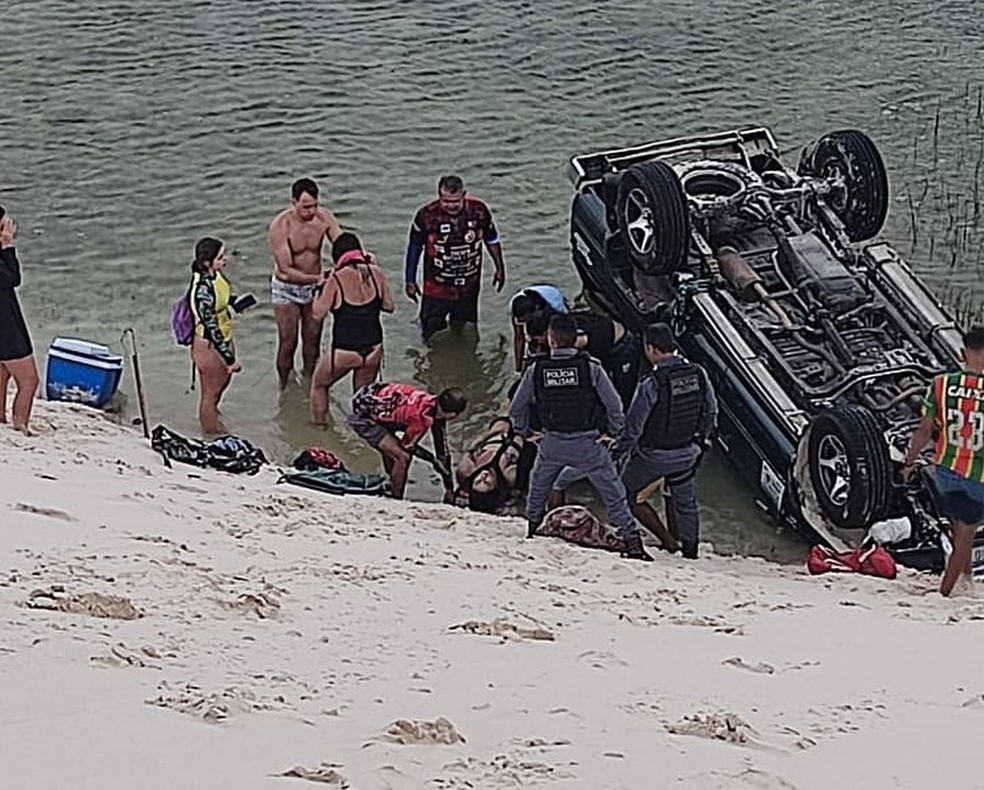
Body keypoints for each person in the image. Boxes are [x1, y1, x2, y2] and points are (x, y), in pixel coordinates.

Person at [508, 313, 652, 560]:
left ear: (551, 341)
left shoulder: (536, 370)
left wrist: (526, 433)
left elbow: (516, 409)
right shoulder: (591, 367)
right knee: (613, 492)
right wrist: (613, 433)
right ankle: (633, 542)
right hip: (589, 444)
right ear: (575, 339)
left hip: (551, 441)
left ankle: (533, 528)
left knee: (538, 485)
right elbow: (614, 405)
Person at [618, 323, 718, 559]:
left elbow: (634, 427)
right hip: (688, 452)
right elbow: (711, 412)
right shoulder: (698, 373)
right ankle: (691, 552)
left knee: (625, 492)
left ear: (651, 348)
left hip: (655, 454)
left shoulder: (651, 383)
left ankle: (668, 541)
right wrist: (700, 442)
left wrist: (618, 453)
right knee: (685, 502)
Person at [903, 326, 984, 597]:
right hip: (978, 474)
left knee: (959, 527)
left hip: (946, 470)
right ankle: (945, 593)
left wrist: (909, 461)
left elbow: (925, 430)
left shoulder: (941, 384)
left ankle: (967, 576)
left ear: (962, 354)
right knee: (965, 535)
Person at [404, 175, 505, 339]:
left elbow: (492, 239)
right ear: (439, 196)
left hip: (468, 284)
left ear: (464, 194)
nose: (451, 206)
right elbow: (414, 247)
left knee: (464, 326)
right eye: (446, 201)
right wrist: (410, 280)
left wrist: (499, 268)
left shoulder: (478, 211)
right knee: (429, 330)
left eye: (456, 201)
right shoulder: (426, 216)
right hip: (437, 286)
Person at [309, 232, 395, 425]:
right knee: (363, 398)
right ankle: (364, 435)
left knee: (320, 385)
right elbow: (389, 306)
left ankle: (320, 428)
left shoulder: (336, 279)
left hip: (345, 350)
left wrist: (319, 288)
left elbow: (317, 314)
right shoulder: (376, 274)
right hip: (373, 349)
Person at [268, 178, 342, 387]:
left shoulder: (323, 218)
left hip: (314, 286)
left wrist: (358, 258)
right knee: (288, 342)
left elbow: (341, 244)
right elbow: (285, 269)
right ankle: (285, 385)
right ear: (294, 202)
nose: (311, 211)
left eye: (315, 205)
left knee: (313, 339)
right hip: (286, 288)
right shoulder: (281, 225)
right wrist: (318, 278)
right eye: (306, 206)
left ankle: (311, 382)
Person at [347, 381, 467, 500]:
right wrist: (432, 459)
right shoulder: (422, 417)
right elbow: (408, 446)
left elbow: (442, 451)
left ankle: (391, 482)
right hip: (363, 416)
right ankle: (396, 498)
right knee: (402, 457)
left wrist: (449, 487)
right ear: (453, 415)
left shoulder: (431, 403)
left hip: (371, 397)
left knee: (392, 448)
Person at [188, 237, 241, 435]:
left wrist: (235, 303)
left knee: (221, 385)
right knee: (209, 393)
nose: (224, 260)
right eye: (220, 257)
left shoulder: (215, 277)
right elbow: (211, 327)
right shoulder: (202, 289)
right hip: (209, 344)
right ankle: (211, 434)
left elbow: (220, 300)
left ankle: (213, 419)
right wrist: (229, 358)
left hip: (224, 335)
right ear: (206, 263)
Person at [0, 208, 40, 434]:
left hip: (5, 323)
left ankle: (2, 421)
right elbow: (13, 278)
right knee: (29, 381)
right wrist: (7, 245)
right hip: (6, 327)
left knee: (2, 375)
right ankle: (20, 423)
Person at [454, 416, 527, 514]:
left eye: (478, 481)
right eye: (486, 482)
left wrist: (490, 434)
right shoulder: (509, 476)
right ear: (495, 487)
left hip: (498, 428)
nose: (483, 477)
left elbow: (472, 447)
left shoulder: (466, 471)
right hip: (522, 431)